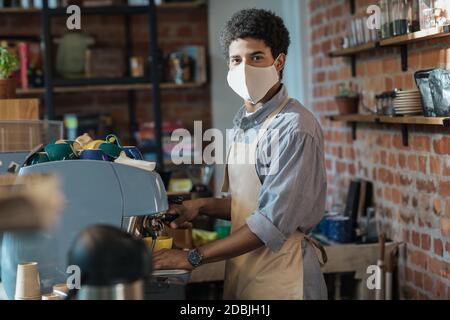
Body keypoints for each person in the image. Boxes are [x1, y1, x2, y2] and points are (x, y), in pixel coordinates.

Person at [153, 8, 328, 300]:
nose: (245, 69)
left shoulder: (295, 128)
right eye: (236, 60)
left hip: (285, 278)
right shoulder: (245, 122)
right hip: (247, 274)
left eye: (256, 57)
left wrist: (191, 257)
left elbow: (270, 223)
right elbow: (253, 204)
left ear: (279, 61)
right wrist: (201, 207)